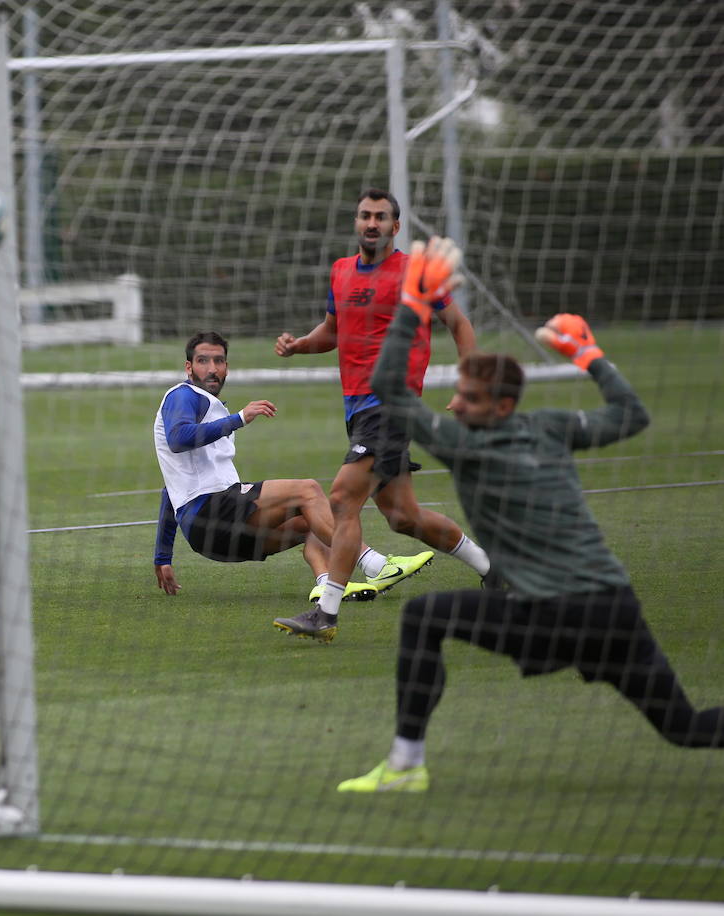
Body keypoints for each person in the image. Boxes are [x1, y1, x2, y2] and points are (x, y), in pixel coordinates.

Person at [337, 239, 724, 793]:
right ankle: (403, 766)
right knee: (683, 726)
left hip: (553, 614)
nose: (455, 404)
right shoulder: (550, 426)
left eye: (468, 397)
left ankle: (404, 766)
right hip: (615, 608)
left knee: (425, 620)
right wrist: (590, 357)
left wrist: (415, 305)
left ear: (499, 407)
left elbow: (387, 387)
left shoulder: (463, 444)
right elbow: (630, 415)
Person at [272, 188, 490, 643]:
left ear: (396, 226)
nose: (371, 223)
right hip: (358, 410)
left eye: (381, 217)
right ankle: (494, 568)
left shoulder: (416, 273)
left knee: (341, 500)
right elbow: (331, 332)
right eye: (364, 216)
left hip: (391, 405)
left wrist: (469, 384)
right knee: (402, 517)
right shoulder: (340, 272)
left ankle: (326, 613)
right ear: (357, 223)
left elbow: (460, 325)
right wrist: (299, 346)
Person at [154, 331, 433, 616]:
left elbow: (171, 489)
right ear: (188, 367)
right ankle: (376, 565)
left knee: (309, 521)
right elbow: (178, 439)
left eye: (219, 361)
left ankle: (325, 586)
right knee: (307, 490)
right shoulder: (183, 395)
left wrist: (162, 556)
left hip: (210, 537)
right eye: (203, 361)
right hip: (211, 512)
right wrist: (239, 418)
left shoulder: (206, 405)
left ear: (227, 366)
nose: (212, 369)